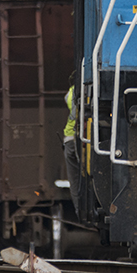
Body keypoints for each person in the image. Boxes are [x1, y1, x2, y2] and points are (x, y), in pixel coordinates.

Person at [63, 81, 85, 219]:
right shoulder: (89, 88)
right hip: (80, 138)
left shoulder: (71, 91)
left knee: (75, 181)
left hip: (70, 138)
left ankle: (80, 212)